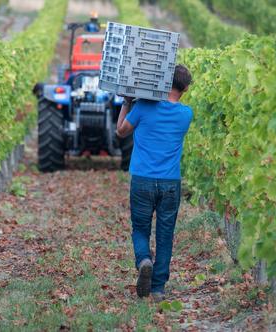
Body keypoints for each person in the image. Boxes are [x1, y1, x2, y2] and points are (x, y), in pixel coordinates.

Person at [116, 64, 193, 300]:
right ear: (186, 88)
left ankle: (144, 260)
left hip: (143, 180)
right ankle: (158, 288)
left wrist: (127, 102)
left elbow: (121, 131)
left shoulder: (143, 107)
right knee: (165, 233)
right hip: (171, 182)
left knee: (140, 228)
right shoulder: (186, 114)